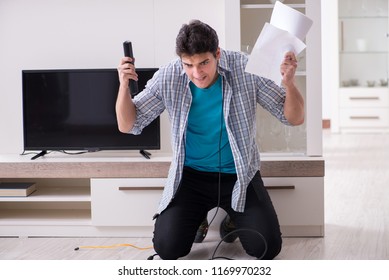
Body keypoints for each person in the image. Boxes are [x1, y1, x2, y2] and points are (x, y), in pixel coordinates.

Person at [116, 19, 304, 260]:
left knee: (266, 248)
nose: (197, 73)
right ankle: (198, 218)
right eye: (189, 65)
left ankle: (232, 221)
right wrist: (123, 86)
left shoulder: (245, 68)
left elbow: (293, 118)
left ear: (217, 53)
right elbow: (129, 124)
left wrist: (289, 84)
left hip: (240, 175)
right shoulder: (169, 75)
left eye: (204, 63)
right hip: (190, 177)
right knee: (167, 248)